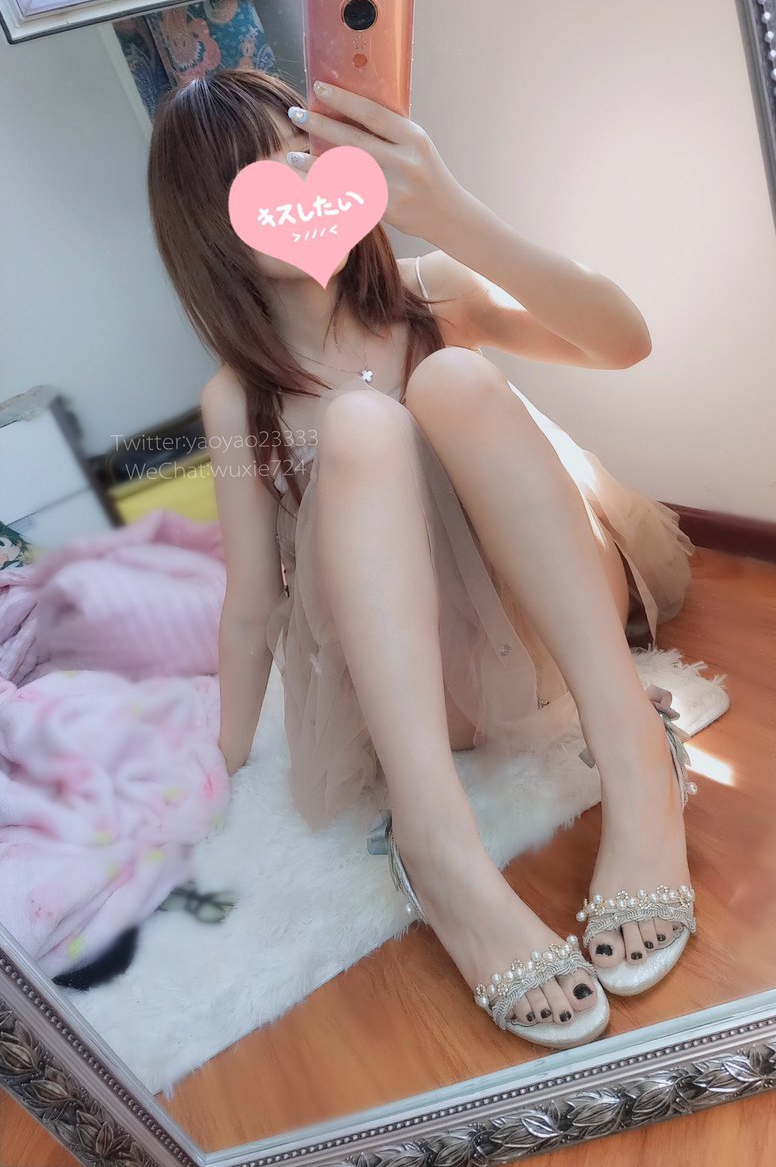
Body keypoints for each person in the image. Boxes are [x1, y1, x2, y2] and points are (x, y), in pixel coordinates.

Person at [146, 66, 698, 1048]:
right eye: (253, 175)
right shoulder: (239, 404)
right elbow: (250, 603)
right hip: (435, 689)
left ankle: (636, 753)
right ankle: (436, 841)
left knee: (453, 384)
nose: (293, 181)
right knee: (362, 426)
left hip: (551, 621)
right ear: (207, 226)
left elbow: (623, 341)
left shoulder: (431, 296)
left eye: (303, 151)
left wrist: (448, 210)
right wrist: (225, 761)